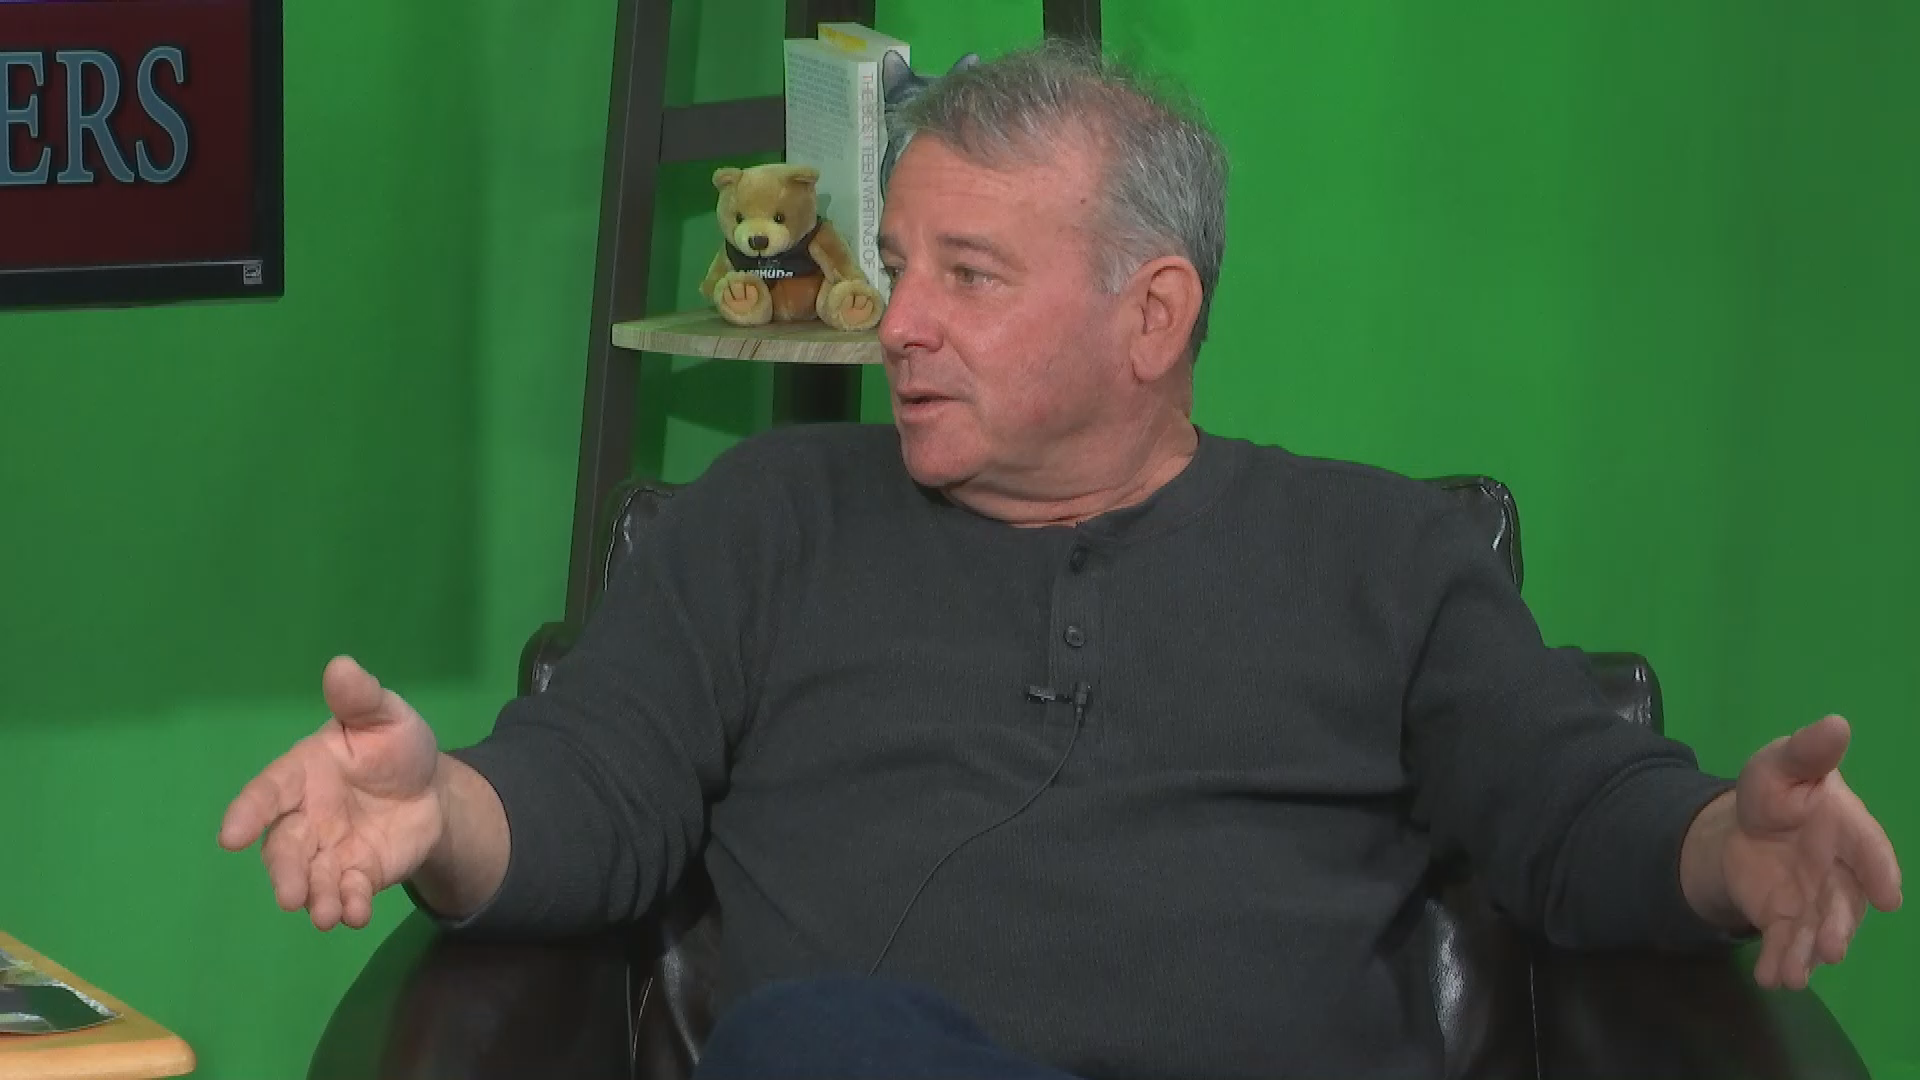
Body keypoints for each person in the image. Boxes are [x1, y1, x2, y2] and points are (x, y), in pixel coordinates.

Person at [218, 42, 1902, 1080]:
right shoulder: (767, 522)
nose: (902, 323)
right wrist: (444, 813)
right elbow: (592, 786)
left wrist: (1722, 848)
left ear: (1152, 317)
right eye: (897, 266)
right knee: (823, 1048)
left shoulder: (1382, 555)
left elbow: (1574, 807)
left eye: (970, 275)